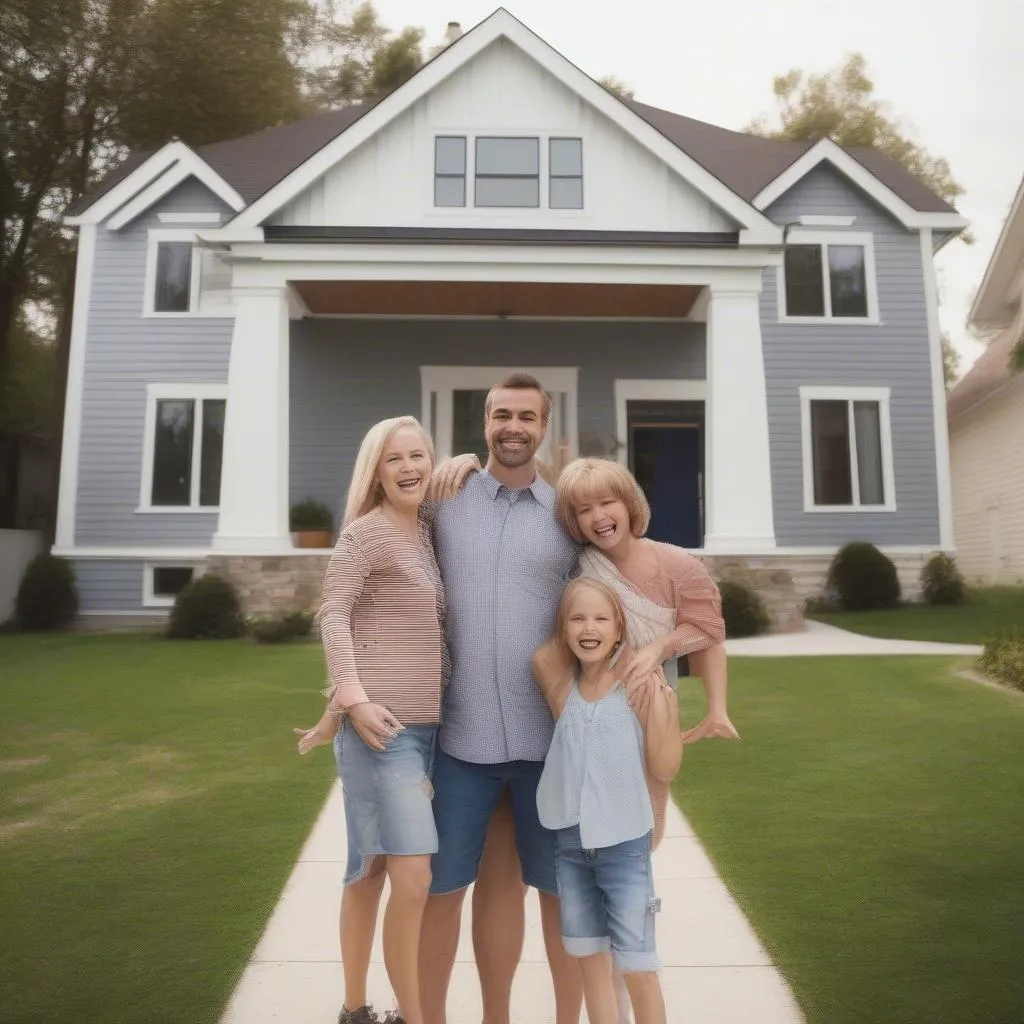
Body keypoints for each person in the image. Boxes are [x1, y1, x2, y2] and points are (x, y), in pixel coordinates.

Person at [419, 372, 584, 1024]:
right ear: (484, 423)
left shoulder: (568, 514)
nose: (513, 427)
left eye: (527, 416)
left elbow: (616, 594)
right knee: (443, 890)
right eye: (501, 415)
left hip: (551, 745)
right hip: (461, 743)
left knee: (560, 895)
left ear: (544, 426)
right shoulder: (443, 502)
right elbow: (373, 537)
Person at [294, 415, 446, 1024]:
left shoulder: (430, 531)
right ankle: (412, 1016)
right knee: (406, 877)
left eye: (419, 455)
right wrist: (350, 700)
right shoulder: (365, 535)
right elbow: (334, 618)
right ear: (375, 472)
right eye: (394, 459)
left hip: (438, 730)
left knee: (374, 869)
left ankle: (355, 1009)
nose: (410, 468)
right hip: (384, 734)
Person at [533, 578, 681, 1024]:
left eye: (601, 619)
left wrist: (661, 699)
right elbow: (542, 656)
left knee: (638, 966)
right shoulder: (562, 687)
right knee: (590, 964)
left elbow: (666, 766)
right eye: (577, 619)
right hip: (570, 846)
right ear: (563, 629)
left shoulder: (637, 687)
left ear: (620, 628)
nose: (588, 628)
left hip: (623, 846)